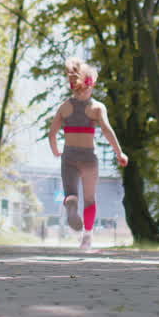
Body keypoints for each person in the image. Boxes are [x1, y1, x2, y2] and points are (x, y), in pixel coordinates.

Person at [48, 58, 129, 250]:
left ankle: (71, 202)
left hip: (69, 156)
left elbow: (52, 133)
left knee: (71, 193)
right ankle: (87, 237)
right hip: (88, 158)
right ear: (90, 85)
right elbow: (108, 131)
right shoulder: (97, 108)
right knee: (90, 199)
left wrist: (55, 150)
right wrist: (120, 153)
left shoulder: (64, 107)